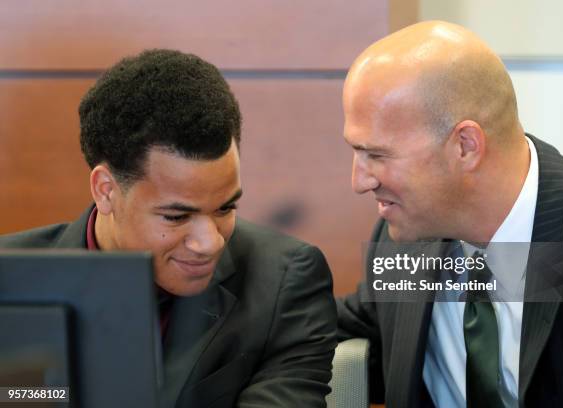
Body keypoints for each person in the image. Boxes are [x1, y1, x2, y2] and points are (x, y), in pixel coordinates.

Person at [0, 49, 337, 407]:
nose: (210, 242)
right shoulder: (11, 284)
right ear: (106, 191)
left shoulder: (285, 284)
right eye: (176, 217)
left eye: (226, 207)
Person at [337, 20, 563, 407]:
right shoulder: (407, 240)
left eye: (377, 155)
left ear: (465, 145)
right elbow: (328, 329)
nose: (360, 181)